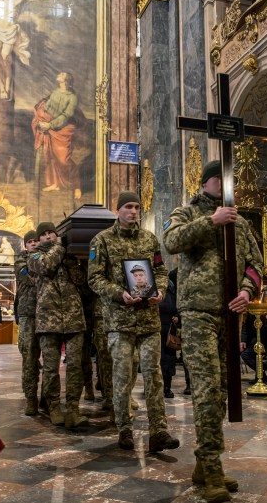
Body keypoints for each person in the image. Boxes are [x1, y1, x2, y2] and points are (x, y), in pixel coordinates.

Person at [163, 161, 263, 503]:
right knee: (206, 389)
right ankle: (212, 466)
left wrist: (248, 291)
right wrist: (211, 221)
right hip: (198, 312)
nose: (229, 184)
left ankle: (204, 464)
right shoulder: (187, 212)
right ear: (210, 181)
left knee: (220, 390)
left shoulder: (241, 221)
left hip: (230, 314)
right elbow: (172, 241)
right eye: (224, 179)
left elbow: (255, 263)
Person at [88, 191, 179, 452]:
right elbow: (94, 278)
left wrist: (160, 290)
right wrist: (120, 294)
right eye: (128, 206)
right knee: (122, 376)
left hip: (149, 319)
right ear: (118, 210)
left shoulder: (149, 239)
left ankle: (158, 431)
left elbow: (160, 270)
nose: (133, 211)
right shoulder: (101, 241)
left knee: (154, 375)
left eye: (137, 207)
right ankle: (124, 429)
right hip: (120, 321)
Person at [29, 221, 88, 428]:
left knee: (74, 366)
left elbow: (81, 280)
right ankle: (53, 406)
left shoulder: (65, 255)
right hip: (48, 320)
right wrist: (60, 247)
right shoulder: (34, 256)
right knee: (51, 368)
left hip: (73, 318)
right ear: (38, 239)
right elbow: (46, 266)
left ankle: (73, 408)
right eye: (43, 234)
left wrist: (72, 260)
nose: (48, 237)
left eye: (51, 233)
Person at [32, 71, 82, 198]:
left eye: (62, 74)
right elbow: (47, 108)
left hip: (63, 128)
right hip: (51, 126)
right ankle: (55, 183)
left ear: (66, 80)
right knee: (51, 156)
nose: (59, 74)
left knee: (64, 159)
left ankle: (76, 186)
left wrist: (49, 125)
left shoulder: (72, 97)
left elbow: (66, 116)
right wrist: (41, 118)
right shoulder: (55, 92)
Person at [15, 229, 44, 416]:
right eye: (30, 242)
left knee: (50, 360)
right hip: (28, 313)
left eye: (36, 241)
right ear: (25, 245)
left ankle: (48, 397)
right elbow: (29, 278)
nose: (33, 244)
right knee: (29, 358)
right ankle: (31, 398)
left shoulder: (46, 258)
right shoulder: (20, 261)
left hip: (47, 312)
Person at [159, 268, 180, 398]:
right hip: (156, 330)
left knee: (169, 361)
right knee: (157, 361)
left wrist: (178, 317)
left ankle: (167, 387)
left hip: (169, 331)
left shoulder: (173, 291)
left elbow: (178, 308)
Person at [240, 311, 267, 384]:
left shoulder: (265, 311)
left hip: (264, 341)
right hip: (253, 340)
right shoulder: (250, 311)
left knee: (246, 355)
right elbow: (245, 326)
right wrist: (243, 340)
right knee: (246, 355)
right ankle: (263, 375)